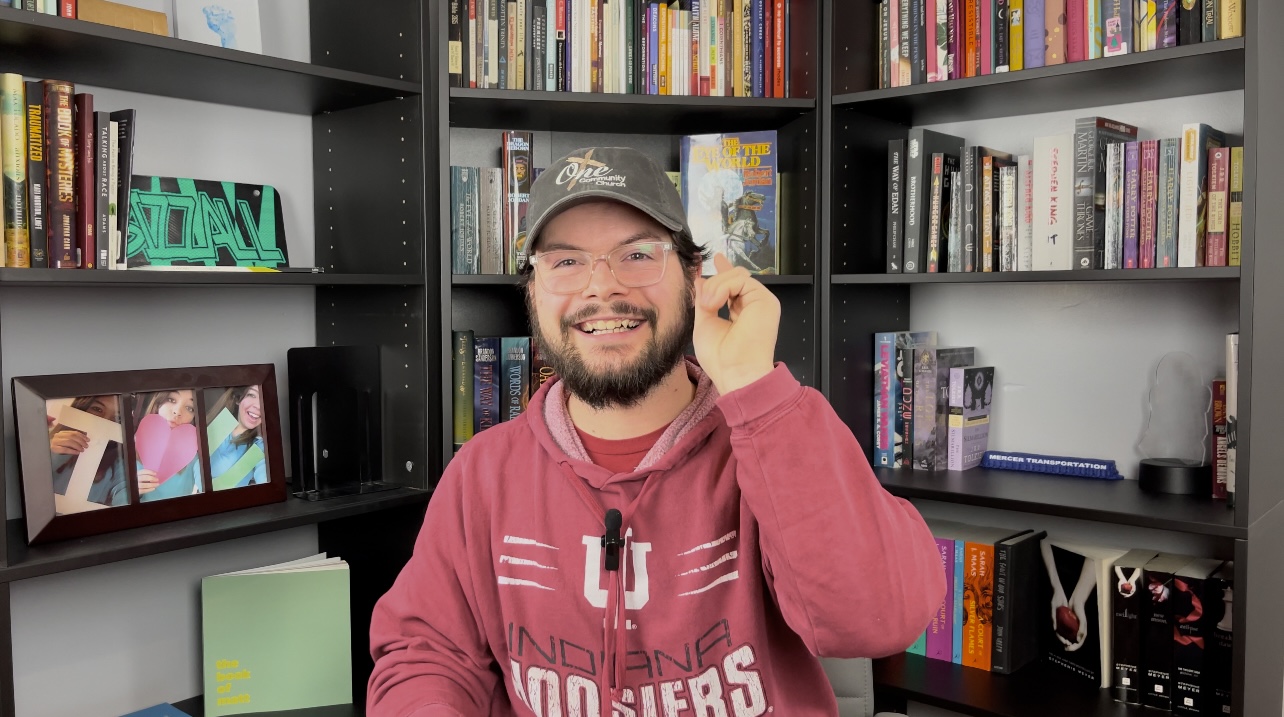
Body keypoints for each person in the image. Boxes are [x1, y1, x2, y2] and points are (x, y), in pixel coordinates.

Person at [367, 146, 945, 716]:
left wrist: (751, 384)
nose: (601, 289)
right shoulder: (482, 473)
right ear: (533, 293)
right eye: (565, 262)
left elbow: (880, 618)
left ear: (696, 277)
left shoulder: (779, 435)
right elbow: (426, 655)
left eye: (638, 255)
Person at [48, 395, 128, 508]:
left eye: (118, 418)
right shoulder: (44, 441)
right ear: (81, 408)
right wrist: (49, 455)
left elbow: (124, 492)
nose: (104, 421)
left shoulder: (119, 464)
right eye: (97, 409)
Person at [126, 389, 204, 503]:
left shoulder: (193, 455)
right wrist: (129, 491)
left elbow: (207, 485)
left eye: (190, 408)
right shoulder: (129, 445)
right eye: (171, 400)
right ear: (158, 403)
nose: (177, 412)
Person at [205, 385, 268, 490]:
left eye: (264, 399)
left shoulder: (259, 446)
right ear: (238, 398)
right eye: (252, 395)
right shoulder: (214, 426)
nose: (258, 405)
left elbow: (264, 476)